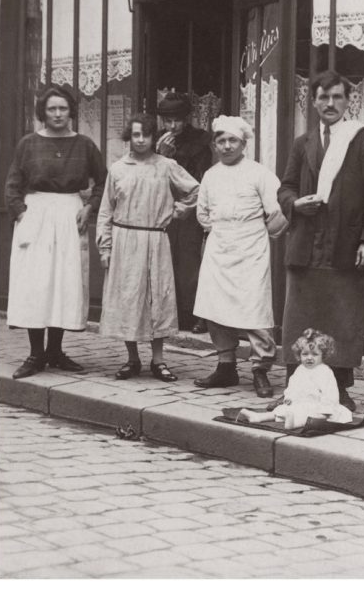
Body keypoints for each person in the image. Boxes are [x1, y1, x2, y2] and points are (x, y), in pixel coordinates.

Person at [278, 69, 364, 411]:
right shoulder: (303, 143)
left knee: (342, 318)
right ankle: (297, 387)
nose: (330, 103)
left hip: (344, 246)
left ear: (347, 101)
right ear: (313, 102)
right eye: (323, 97)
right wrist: (294, 204)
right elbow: (286, 187)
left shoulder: (363, 141)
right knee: (301, 318)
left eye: (337, 97)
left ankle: (339, 389)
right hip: (306, 247)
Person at [4, 84, 106, 379]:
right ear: (43, 113)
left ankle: (56, 351)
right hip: (36, 214)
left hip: (69, 214)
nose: (58, 114)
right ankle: (36, 353)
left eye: (63, 108)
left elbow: (102, 181)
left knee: (64, 280)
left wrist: (90, 208)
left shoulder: (85, 145)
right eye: (52, 109)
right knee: (37, 282)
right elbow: (12, 183)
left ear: (71, 111)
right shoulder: (28, 144)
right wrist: (21, 213)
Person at [96, 113, 200, 382]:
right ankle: (132, 359)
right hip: (124, 240)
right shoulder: (118, 169)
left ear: (154, 137)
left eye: (146, 134)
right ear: (128, 137)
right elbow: (106, 210)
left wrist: (180, 210)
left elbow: (197, 190)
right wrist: (105, 247)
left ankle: (159, 360)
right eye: (135, 135)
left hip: (155, 239)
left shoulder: (166, 166)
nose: (140, 140)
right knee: (127, 299)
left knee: (158, 299)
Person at [192, 115, 286, 399]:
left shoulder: (260, 173)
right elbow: (202, 213)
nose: (227, 146)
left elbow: (279, 212)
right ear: (215, 145)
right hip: (219, 246)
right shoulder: (210, 175)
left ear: (244, 143)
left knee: (254, 308)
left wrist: (257, 234)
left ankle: (260, 368)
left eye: (233, 140)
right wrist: (220, 231)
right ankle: (226, 365)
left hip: (251, 247)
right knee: (214, 307)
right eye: (221, 141)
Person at [155, 92, 213, 333]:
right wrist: (161, 155)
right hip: (163, 209)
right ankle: (172, 314)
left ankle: (197, 315)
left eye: (177, 120)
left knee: (190, 265)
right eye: (167, 121)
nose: (172, 126)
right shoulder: (157, 142)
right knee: (166, 262)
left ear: (186, 118)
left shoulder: (200, 140)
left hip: (190, 209)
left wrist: (171, 157)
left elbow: (200, 178)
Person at [238, 328, 352, 429]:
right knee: (281, 410)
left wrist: (326, 407)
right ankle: (259, 417)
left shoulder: (325, 371)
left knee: (312, 415)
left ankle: (294, 424)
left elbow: (330, 393)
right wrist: (289, 398)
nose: (309, 358)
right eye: (305, 354)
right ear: (299, 354)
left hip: (319, 405)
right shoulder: (300, 370)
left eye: (315, 354)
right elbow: (292, 387)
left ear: (323, 355)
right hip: (301, 403)